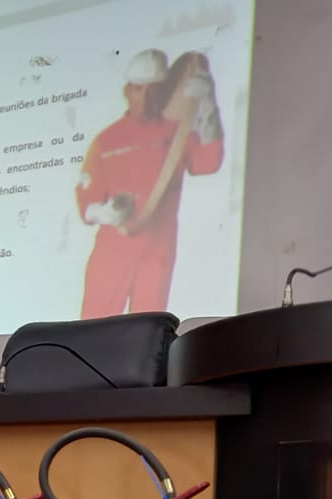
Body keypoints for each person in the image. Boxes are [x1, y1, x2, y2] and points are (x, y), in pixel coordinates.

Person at [75, 48, 225, 319]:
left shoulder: (176, 135)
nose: (144, 98)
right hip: (113, 251)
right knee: (94, 327)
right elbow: (87, 204)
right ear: (127, 91)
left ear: (164, 91)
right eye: (138, 89)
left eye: (152, 90)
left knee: (147, 330)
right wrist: (107, 212)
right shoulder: (107, 140)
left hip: (158, 250)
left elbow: (208, 163)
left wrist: (208, 106)